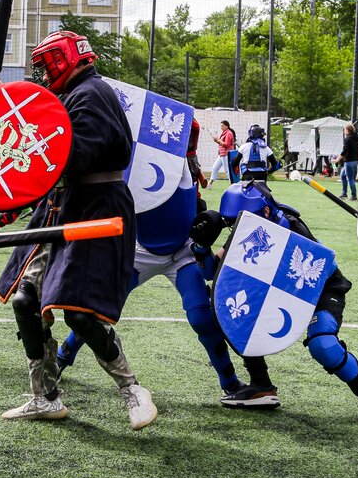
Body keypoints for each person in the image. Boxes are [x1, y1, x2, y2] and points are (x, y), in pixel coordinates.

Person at [0, 31, 156, 430]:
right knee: (26, 300)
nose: (42, 75)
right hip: (61, 207)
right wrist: (3, 100)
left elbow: (68, 155)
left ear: (64, 60)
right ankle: (44, 396)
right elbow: (48, 122)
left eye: (45, 66)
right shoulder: (74, 93)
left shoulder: (91, 93)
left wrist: (15, 116)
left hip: (96, 206)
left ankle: (132, 389)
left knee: (79, 313)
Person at [58, 161, 279, 408]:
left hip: (182, 251)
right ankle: (62, 357)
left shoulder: (177, 162)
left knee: (202, 320)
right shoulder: (130, 162)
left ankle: (230, 383)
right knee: (98, 309)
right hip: (141, 251)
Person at [194, 181, 358, 424]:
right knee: (234, 316)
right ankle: (261, 387)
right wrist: (202, 247)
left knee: (323, 346)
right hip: (279, 294)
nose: (237, 227)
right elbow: (215, 274)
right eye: (233, 222)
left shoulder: (291, 226)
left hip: (321, 291)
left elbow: (320, 270)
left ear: (265, 212)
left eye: (240, 220)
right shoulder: (248, 230)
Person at [339, 123, 358, 201]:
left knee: (350, 179)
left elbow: (345, 151)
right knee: (342, 175)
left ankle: (354, 196)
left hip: (349, 161)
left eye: (345, 130)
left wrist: (337, 159)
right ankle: (344, 193)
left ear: (347, 130)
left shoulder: (347, 139)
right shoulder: (357, 138)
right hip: (355, 161)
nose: (344, 132)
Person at [208, 120, 235, 188]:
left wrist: (217, 141)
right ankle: (210, 184)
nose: (221, 127)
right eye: (221, 126)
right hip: (222, 154)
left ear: (227, 126)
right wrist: (218, 140)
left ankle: (233, 186)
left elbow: (227, 145)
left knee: (227, 171)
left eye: (222, 126)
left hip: (226, 155)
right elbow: (222, 143)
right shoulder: (224, 133)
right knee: (215, 168)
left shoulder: (229, 133)